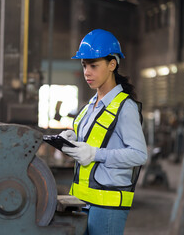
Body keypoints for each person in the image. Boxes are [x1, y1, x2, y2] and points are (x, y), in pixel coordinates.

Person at [59, 29, 147, 235]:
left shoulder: (125, 107)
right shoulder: (91, 105)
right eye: (84, 66)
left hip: (107, 206)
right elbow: (94, 144)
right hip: (82, 201)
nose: (87, 72)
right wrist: (73, 141)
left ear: (112, 65)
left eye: (93, 65)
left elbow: (139, 154)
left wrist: (95, 154)